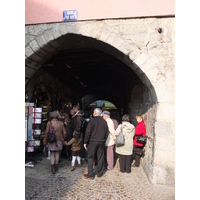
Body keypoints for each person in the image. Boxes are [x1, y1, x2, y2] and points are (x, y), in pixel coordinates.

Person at [83, 108, 108, 179]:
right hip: (101, 141)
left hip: (93, 141)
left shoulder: (91, 121)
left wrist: (85, 142)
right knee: (100, 157)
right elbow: (107, 133)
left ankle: (91, 174)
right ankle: (99, 173)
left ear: (94, 113)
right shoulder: (104, 122)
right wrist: (104, 140)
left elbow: (88, 132)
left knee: (90, 157)